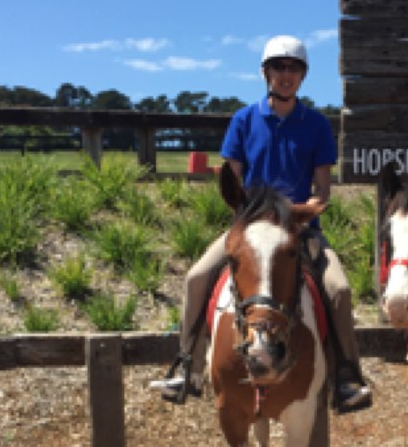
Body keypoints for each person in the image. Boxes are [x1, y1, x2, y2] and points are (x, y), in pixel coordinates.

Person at [151, 34, 372, 414]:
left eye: (293, 69)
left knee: (339, 289)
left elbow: (323, 191)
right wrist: (249, 217)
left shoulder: (317, 125)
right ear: (266, 73)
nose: (285, 75)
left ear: (303, 77)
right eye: (278, 68)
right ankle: (187, 366)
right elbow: (233, 183)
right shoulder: (243, 120)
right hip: (250, 228)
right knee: (196, 277)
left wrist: (299, 213)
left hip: (298, 229)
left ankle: (346, 377)